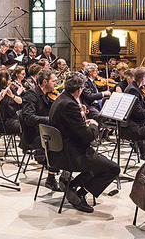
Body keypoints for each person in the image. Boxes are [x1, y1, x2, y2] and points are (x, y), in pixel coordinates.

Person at [48, 72, 120, 213]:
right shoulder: (70, 104)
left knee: (98, 165)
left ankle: (71, 186)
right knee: (113, 168)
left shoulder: (62, 99)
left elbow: (69, 124)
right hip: (71, 154)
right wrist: (93, 124)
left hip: (60, 150)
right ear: (79, 90)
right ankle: (80, 194)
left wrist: (81, 117)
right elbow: (88, 137)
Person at [21, 69, 62, 191]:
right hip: (32, 136)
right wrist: (49, 119)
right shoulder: (31, 95)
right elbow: (29, 118)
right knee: (58, 142)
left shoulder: (48, 95)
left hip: (44, 132)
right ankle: (51, 178)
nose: (56, 83)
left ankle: (65, 174)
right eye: (53, 81)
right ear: (45, 82)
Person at [0, 68, 22, 135]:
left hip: (14, 118)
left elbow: (20, 101)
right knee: (23, 127)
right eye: (9, 78)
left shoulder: (10, 89)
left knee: (29, 124)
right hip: (3, 123)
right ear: (3, 79)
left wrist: (12, 96)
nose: (11, 79)